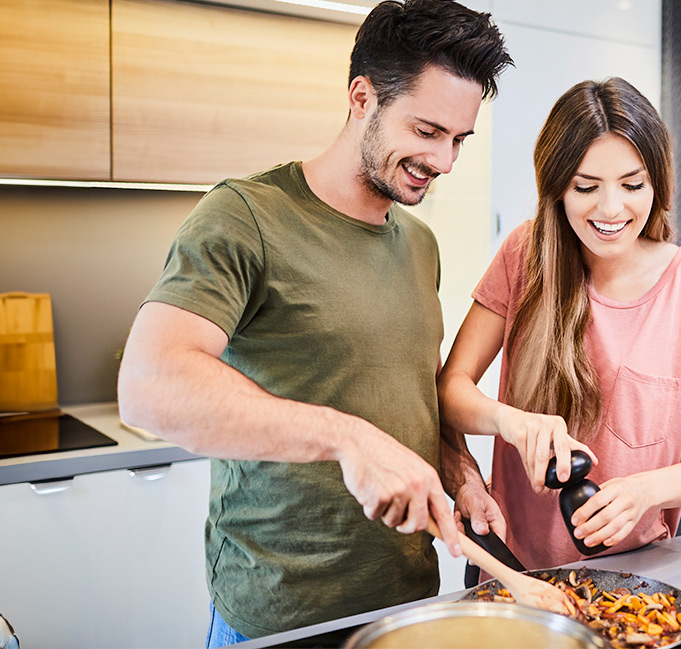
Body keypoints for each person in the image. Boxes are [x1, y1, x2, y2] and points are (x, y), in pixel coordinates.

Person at [116, 1, 512, 644]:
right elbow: (149, 383)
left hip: (405, 602)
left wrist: (458, 468)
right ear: (363, 97)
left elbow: (408, 389)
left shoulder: (418, 243)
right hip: (278, 613)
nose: (444, 161)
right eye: (427, 131)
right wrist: (347, 439)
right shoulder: (243, 216)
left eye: (459, 140)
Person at [438, 77, 681, 571]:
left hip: (639, 573)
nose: (611, 210)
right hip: (511, 564)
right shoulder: (525, 256)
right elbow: (451, 388)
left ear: (656, 184)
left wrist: (644, 491)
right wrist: (510, 421)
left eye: (633, 186)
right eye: (586, 187)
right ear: (556, 188)